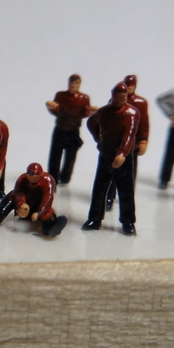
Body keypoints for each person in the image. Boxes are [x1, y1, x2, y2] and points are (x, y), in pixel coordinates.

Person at [82, 82, 140, 236]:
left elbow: (129, 135)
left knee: (126, 191)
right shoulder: (103, 112)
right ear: (113, 97)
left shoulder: (132, 113)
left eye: (124, 97)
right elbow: (90, 123)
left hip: (124, 159)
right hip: (106, 155)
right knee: (99, 188)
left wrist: (122, 153)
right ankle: (94, 219)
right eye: (119, 97)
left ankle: (128, 222)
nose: (122, 100)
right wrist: (98, 138)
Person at [0, 163, 67, 236]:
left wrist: (39, 212)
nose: (31, 177)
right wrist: (21, 204)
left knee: (47, 216)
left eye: (34, 175)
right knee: (11, 195)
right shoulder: (22, 179)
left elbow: (48, 197)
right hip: (25, 205)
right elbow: (18, 192)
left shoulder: (48, 180)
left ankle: (50, 226)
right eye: (29, 174)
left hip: (39, 206)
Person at [105, 74, 148, 210]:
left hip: (132, 143)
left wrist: (143, 140)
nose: (128, 90)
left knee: (130, 174)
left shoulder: (141, 102)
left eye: (131, 87)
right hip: (115, 143)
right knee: (113, 171)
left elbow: (144, 123)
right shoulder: (114, 101)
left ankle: (128, 198)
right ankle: (109, 196)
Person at [45, 74, 95, 185]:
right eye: (71, 82)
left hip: (73, 131)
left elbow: (84, 112)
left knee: (71, 156)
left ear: (79, 84)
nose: (73, 85)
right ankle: (53, 177)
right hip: (60, 129)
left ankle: (65, 177)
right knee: (55, 155)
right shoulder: (60, 95)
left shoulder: (84, 98)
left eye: (76, 83)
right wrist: (51, 107)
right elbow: (56, 110)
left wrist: (90, 111)